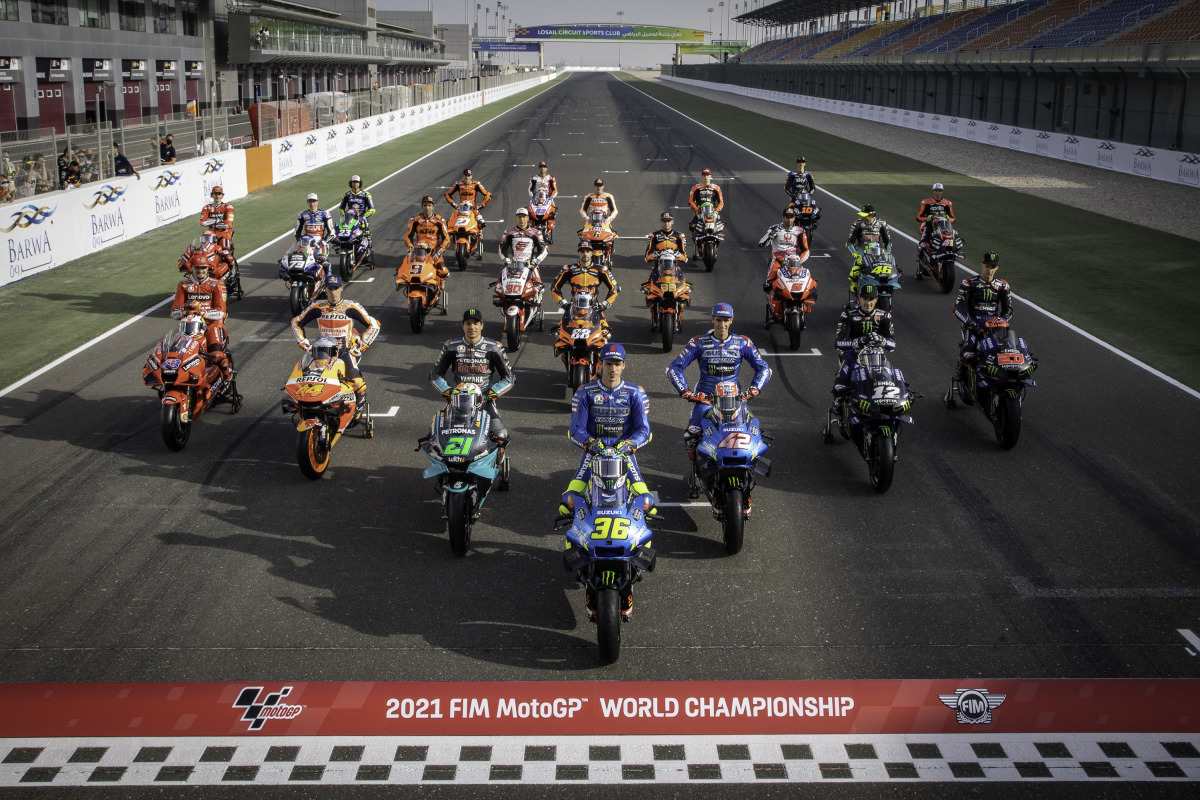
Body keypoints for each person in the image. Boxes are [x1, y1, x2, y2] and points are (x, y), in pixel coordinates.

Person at [667, 303, 771, 451]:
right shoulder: (698, 342)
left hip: (735, 399)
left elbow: (764, 368)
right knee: (692, 436)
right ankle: (696, 472)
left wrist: (755, 389)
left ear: (731, 320)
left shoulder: (743, 342)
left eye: (725, 320)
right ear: (712, 319)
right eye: (719, 320)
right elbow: (673, 368)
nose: (722, 324)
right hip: (706, 398)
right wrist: (685, 391)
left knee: (752, 435)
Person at [563, 341, 652, 504]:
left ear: (624, 365)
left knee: (647, 501)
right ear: (600, 364)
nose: (613, 369)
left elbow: (644, 430)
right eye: (608, 364)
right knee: (568, 501)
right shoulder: (584, 392)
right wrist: (590, 444)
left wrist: (630, 445)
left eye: (617, 364)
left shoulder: (636, 393)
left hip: (624, 454)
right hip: (593, 453)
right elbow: (576, 429)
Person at [291, 274, 379, 408]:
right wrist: (304, 343)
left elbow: (374, 325)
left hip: (345, 351)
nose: (333, 292)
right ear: (325, 289)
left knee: (357, 383)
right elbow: (296, 322)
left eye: (336, 288)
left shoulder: (350, 306)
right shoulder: (317, 306)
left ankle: (359, 402)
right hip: (322, 352)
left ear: (341, 288)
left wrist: (361, 346)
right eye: (330, 288)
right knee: (306, 378)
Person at [430, 308, 515, 446]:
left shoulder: (494, 348)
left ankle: (497, 463)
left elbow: (509, 378)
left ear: (482, 325)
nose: (472, 327)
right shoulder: (451, 346)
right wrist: (448, 392)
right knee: (435, 438)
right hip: (457, 403)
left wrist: (490, 394)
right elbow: (435, 375)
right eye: (468, 323)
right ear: (462, 325)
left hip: (485, 401)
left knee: (500, 435)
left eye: (476, 323)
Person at [170, 251, 236, 394]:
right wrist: (183, 311)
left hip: (212, 326)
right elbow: (174, 313)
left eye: (203, 268)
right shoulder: (183, 285)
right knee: (173, 356)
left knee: (217, 355)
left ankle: (227, 377)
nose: (200, 271)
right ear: (191, 268)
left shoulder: (217, 284)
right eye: (197, 268)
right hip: (189, 327)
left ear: (208, 268)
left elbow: (222, 313)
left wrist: (203, 312)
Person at [952, 250, 1013, 382]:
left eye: (992, 267)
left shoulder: (1002, 285)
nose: (989, 270)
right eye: (987, 266)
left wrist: (1001, 322)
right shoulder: (969, 282)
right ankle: (961, 376)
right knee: (968, 354)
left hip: (994, 327)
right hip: (973, 326)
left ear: (997, 268)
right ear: (982, 265)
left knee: (1007, 353)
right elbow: (957, 308)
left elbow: (1008, 310)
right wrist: (972, 324)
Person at [833, 282, 895, 396]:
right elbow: (838, 343)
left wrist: (882, 340)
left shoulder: (885, 316)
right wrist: (858, 342)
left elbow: (892, 345)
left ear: (876, 300)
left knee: (894, 375)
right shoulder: (848, 315)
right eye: (865, 299)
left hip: (877, 358)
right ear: (859, 298)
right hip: (853, 356)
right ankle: (839, 402)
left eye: (871, 299)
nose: (868, 303)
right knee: (840, 384)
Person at [551, 244, 620, 310]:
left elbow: (616, 288)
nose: (585, 254)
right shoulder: (568, 269)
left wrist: (605, 305)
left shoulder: (601, 269)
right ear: (578, 253)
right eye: (582, 251)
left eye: (588, 251)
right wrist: (563, 303)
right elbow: (554, 286)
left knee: (603, 323)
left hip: (594, 307)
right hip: (573, 308)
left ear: (592, 253)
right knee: (563, 323)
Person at [759, 207, 810, 294]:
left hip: (794, 262)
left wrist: (798, 260)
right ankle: (773, 304)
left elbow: (806, 250)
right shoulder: (774, 228)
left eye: (791, 217)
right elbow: (761, 244)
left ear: (794, 218)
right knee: (767, 285)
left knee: (807, 283)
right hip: (778, 260)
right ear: (783, 217)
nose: (789, 220)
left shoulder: (800, 231)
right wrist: (770, 236)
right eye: (787, 217)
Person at [846, 203, 892, 293]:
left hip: (877, 253)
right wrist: (856, 255)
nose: (863, 217)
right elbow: (850, 243)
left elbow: (888, 242)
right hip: (862, 253)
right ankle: (854, 290)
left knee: (889, 270)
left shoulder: (882, 224)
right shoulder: (857, 224)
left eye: (865, 215)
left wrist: (888, 254)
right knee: (854, 273)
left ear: (872, 215)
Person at [498, 208, 547, 284]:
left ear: (528, 218)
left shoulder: (536, 233)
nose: (522, 219)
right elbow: (501, 248)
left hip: (530, 265)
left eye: (524, 217)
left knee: (539, 285)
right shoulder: (508, 232)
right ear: (516, 218)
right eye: (519, 217)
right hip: (514, 265)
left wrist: (535, 262)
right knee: (502, 284)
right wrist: (506, 261)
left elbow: (544, 249)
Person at [405, 195, 450, 278]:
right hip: (419, 253)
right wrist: (410, 248)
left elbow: (446, 239)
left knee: (444, 272)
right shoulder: (414, 219)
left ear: (433, 207)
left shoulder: (440, 220)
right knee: (406, 273)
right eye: (425, 205)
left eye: (429, 205)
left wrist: (440, 251)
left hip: (434, 253)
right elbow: (408, 236)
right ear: (422, 206)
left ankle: (441, 288)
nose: (427, 208)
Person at [688, 168, 724, 261]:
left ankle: (715, 247)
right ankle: (697, 246)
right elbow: (691, 201)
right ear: (701, 176)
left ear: (710, 176)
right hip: (700, 212)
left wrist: (716, 211)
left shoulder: (716, 188)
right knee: (692, 226)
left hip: (712, 212)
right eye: (704, 175)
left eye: (707, 175)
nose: (706, 177)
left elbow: (721, 202)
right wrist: (696, 209)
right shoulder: (696, 187)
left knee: (720, 227)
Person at [200, 185, 236, 273]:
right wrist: (219, 221)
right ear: (212, 195)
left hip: (224, 234)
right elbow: (202, 222)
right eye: (215, 194)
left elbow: (229, 223)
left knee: (226, 254)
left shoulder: (228, 207)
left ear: (222, 195)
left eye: (219, 194)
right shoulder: (206, 207)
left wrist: (212, 221)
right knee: (204, 254)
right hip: (210, 236)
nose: (217, 196)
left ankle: (233, 270)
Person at [917, 182, 955, 247]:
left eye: (940, 191)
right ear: (933, 191)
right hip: (930, 225)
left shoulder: (948, 203)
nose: (938, 193)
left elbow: (953, 218)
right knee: (922, 245)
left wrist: (947, 218)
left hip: (944, 226)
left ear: (942, 192)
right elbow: (919, 217)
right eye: (936, 191)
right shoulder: (926, 202)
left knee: (953, 240)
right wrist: (929, 218)